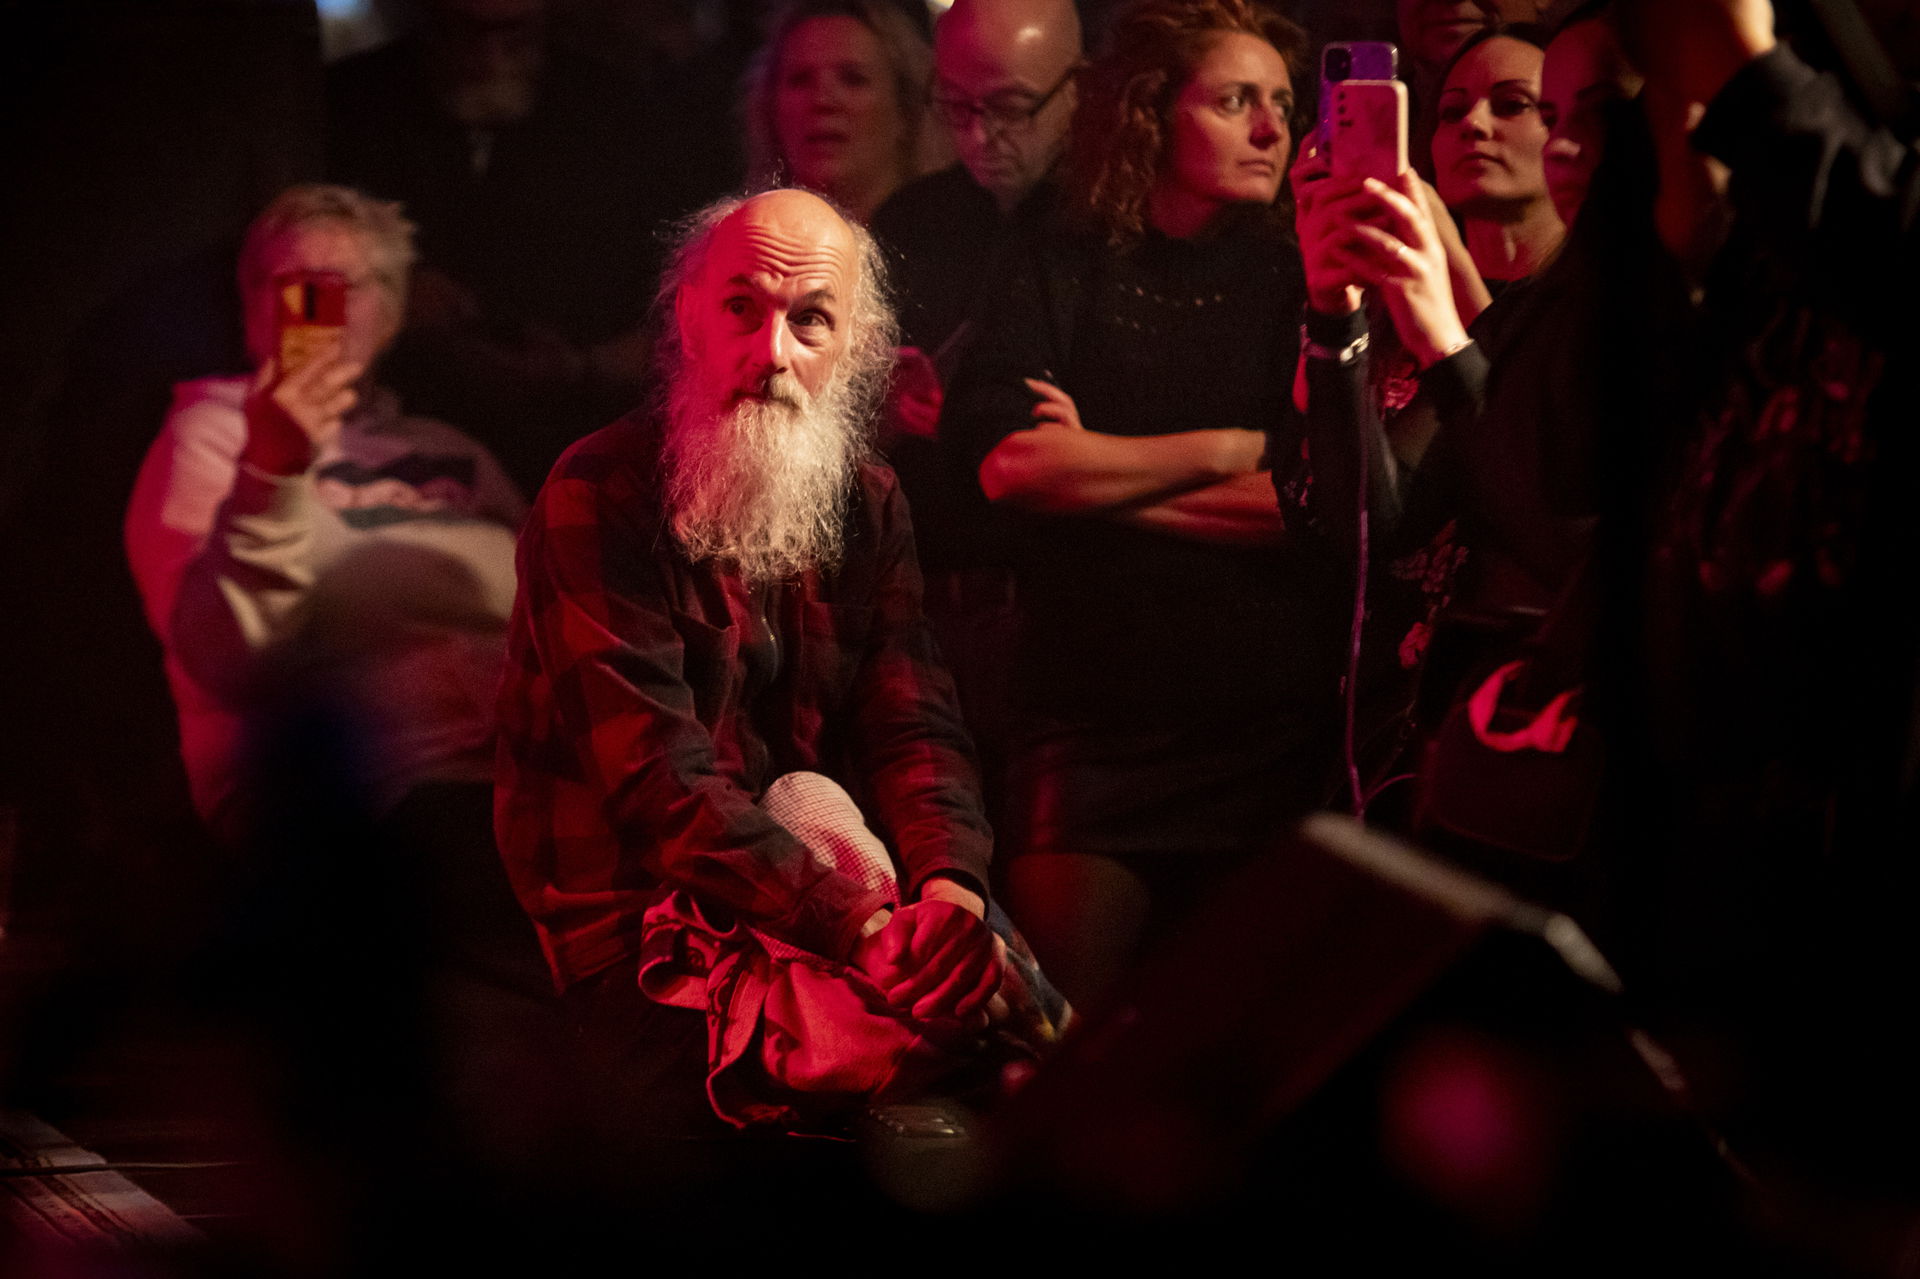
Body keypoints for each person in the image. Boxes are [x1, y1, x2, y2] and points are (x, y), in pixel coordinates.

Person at [495, 189, 1035, 1147]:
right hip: (640, 926)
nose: (772, 350)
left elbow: (916, 727)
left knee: (1031, 1054)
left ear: (856, 350)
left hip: (840, 898)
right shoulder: (599, 492)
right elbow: (658, 781)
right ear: (687, 323)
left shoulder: (869, 501)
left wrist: (949, 893)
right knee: (892, 1088)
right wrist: (866, 929)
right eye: (743, 307)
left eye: (810, 319)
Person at [944, 0, 1341, 1006]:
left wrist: (1096, 476)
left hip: (1264, 725)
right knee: (1053, 1041)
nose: (1270, 129)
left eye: (1283, 105)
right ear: (1156, 115)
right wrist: (1223, 449)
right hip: (1088, 717)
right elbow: (1008, 469)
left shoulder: (1300, 269)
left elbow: (1311, 507)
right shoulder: (1063, 249)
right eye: (1236, 100)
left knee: (1239, 1058)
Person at [124, 184, 527, 838]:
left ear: (392, 314)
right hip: (353, 807)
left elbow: (562, 608)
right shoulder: (208, 436)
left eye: (342, 286)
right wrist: (271, 468)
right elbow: (227, 664)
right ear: (253, 308)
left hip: (519, 775)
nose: (315, 310)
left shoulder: (452, 451)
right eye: (292, 284)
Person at [327, 0, 736, 495]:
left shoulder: (612, 111)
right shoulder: (356, 100)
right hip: (389, 431)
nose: (490, 55)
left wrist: (573, 365)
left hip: (568, 443)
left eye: (512, 35)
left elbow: (676, 304)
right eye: (470, 34)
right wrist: (387, 291)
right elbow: (299, 254)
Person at [741, 0, 949, 224]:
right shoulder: (734, 245)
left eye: (853, 79)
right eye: (800, 79)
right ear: (769, 109)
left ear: (905, 111)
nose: (822, 100)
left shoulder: (954, 243)